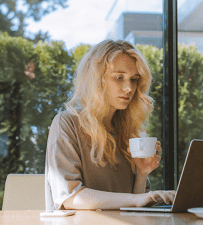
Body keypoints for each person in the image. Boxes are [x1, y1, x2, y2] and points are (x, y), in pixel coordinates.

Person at [45, 39, 176, 210]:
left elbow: (132, 206)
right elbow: (70, 197)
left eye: (134, 79)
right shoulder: (67, 123)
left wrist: (142, 174)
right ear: (96, 80)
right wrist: (139, 200)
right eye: (119, 77)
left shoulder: (129, 131)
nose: (129, 88)